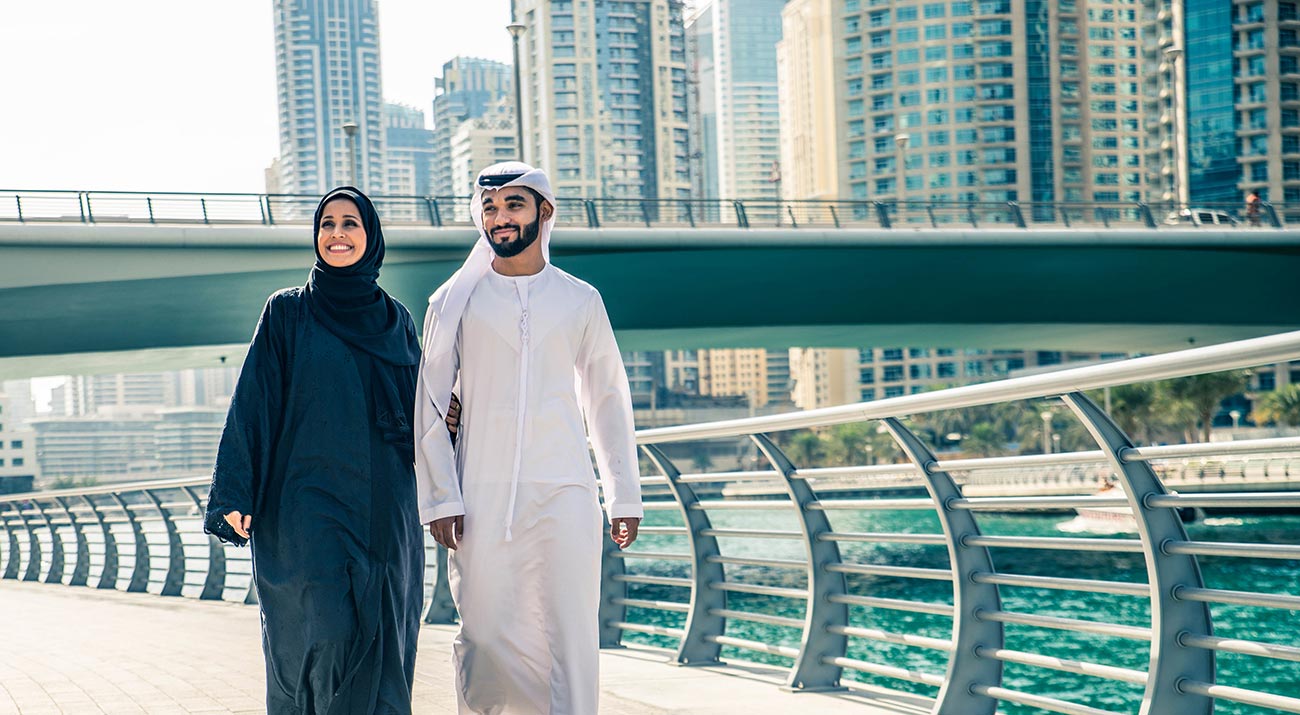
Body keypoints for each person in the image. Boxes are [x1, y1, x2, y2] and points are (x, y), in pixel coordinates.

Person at [415, 162, 644, 714]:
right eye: (490, 207)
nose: (500, 217)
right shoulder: (452, 302)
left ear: (544, 211)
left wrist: (623, 495)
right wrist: (441, 497)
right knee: (486, 635)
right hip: (481, 493)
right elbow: (429, 406)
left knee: (569, 636)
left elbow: (606, 397)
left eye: (513, 205)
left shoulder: (580, 299)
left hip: (566, 490)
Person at [204, 187, 424, 715]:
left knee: (385, 632)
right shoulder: (288, 312)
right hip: (305, 505)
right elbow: (254, 402)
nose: (337, 234)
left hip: (385, 508)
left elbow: (424, 414)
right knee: (322, 630)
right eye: (327, 223)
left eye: (350, 223)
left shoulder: (397, 321)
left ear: (371, 237)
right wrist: (234, 491)